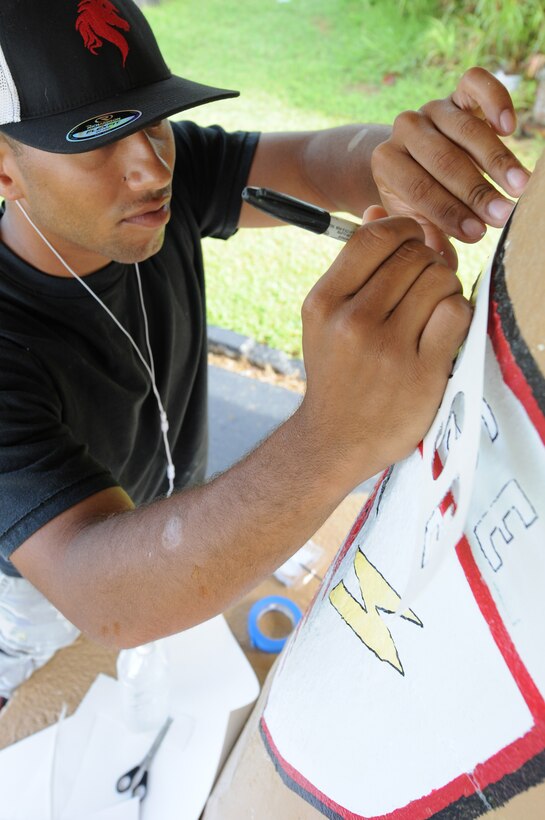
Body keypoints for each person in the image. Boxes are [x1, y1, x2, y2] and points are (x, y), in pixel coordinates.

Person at [0, 0, 530, 701]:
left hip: (172, 533)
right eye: (94, 136)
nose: (151, 166)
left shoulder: (163, 180)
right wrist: (333, 436)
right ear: (5, 169)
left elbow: (312, 163)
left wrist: (400, 162)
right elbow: (100, 593)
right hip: (41, 600)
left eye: (153, 118)